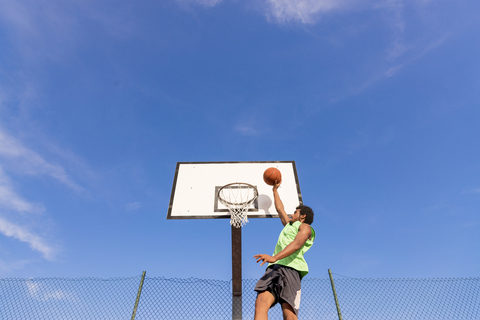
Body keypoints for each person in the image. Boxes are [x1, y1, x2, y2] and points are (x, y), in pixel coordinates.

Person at [253, 181, 315, 320]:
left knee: (289, 313)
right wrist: (275, 190)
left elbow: (297, 243)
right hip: (274, 268)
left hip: (291, 270)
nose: (292, 214)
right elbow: (280, 209)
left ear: (303, 216)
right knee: (261, 302)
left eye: (295, 212)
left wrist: (275, 257)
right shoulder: (288, 225)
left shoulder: (305, 227)